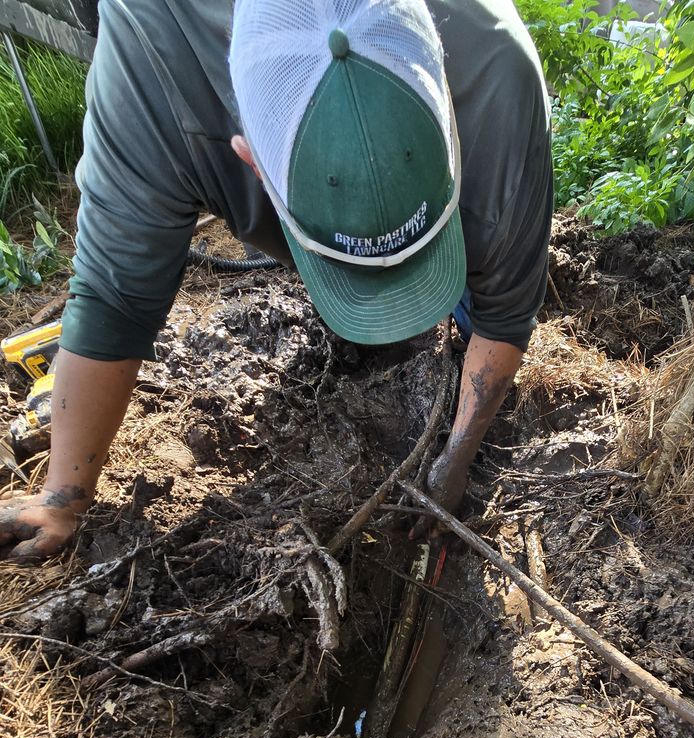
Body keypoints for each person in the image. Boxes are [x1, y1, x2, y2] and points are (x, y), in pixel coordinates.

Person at [0, 0, 553, 561]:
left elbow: (506, 310)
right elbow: (113, 300)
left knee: (478, 293)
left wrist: (456, 458)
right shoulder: (151, 64)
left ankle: (440, 288)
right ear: (250, 159)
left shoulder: (497, 74)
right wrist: (63, 498)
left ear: (451, 127)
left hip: (480, 135)